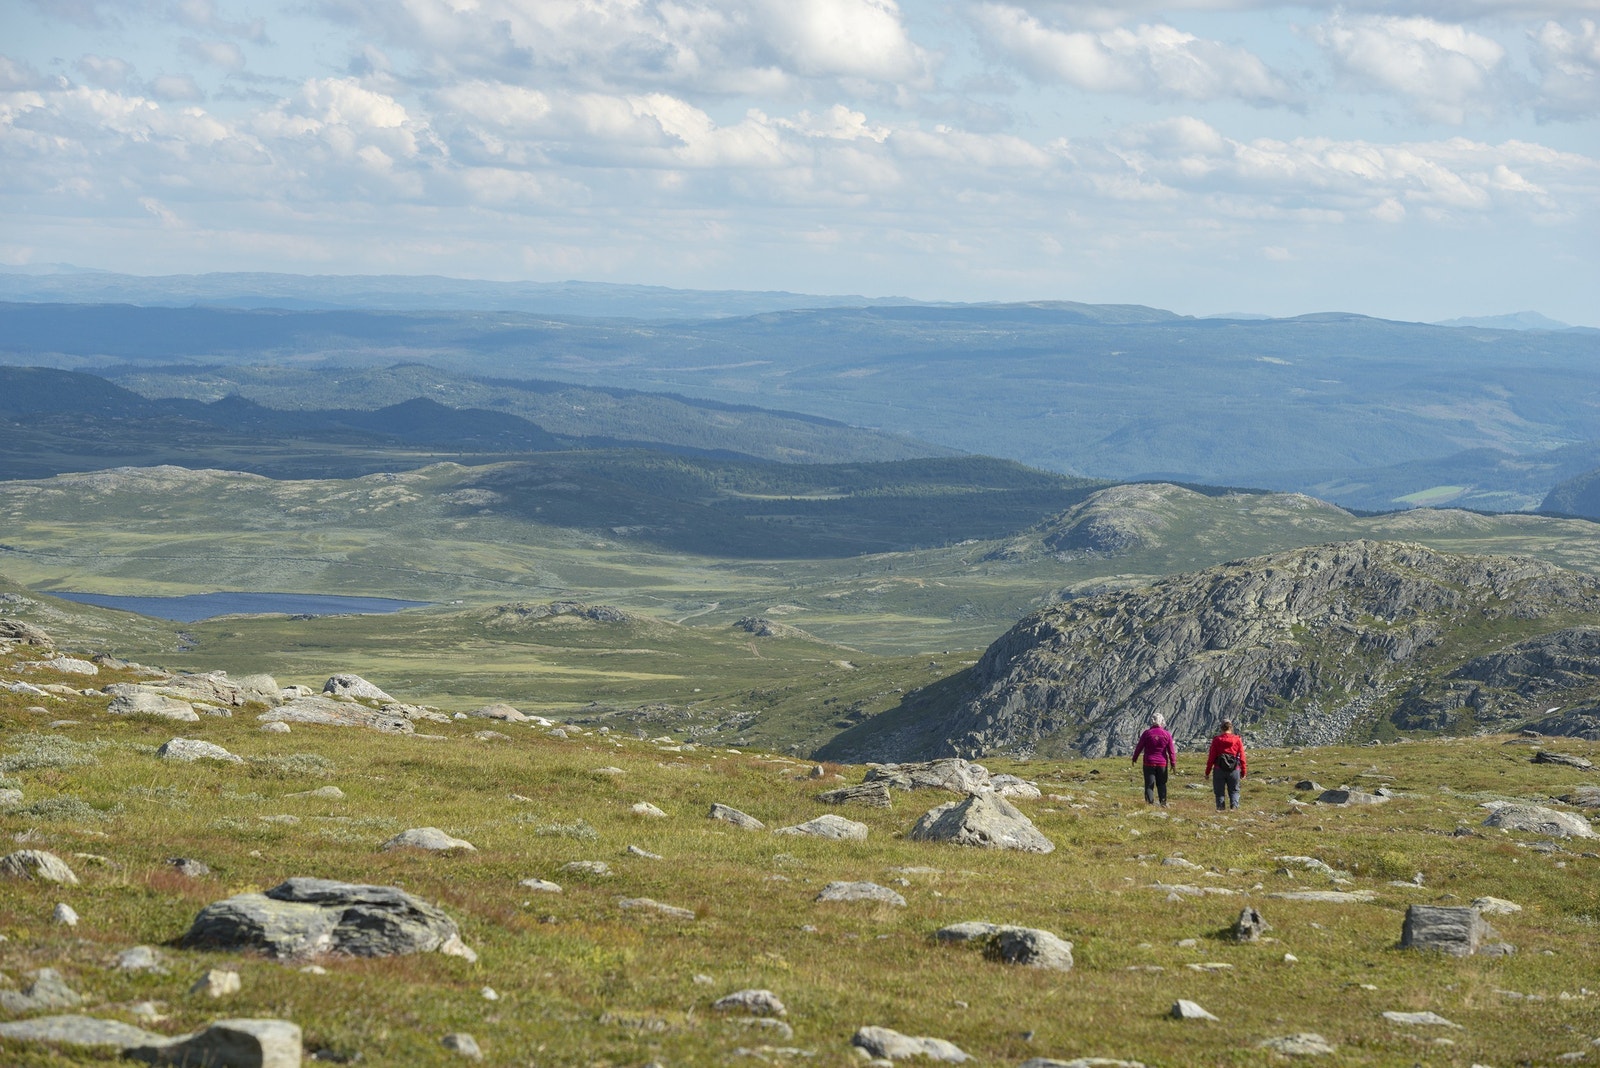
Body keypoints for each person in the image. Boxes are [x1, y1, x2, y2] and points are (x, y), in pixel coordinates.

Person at [1130, 712, 1176, 807]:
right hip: (1162, 763)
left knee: (1149, 784)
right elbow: (1171, 751)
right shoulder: (1166, 734)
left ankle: (1149, 804)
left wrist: (1134, 758)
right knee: (1162, 784)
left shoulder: (1147, 733)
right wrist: (1173, 763)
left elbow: (1139, 747)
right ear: (1162, 722)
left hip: (1149, 762)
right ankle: (1163, 803)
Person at [1204, 719, 1247, 810]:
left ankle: (1220, 809)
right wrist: (1243, 771)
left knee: (1219, 792)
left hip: (1219, 769)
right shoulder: (1237, 739)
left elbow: (1211, 758)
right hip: (1234, 769)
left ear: (1221, 728)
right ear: (1231, 728)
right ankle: (1234, 808)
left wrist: (1207, 772)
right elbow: (1242, 757)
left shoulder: (1217, 740)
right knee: (1234, 791)